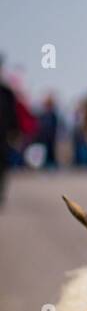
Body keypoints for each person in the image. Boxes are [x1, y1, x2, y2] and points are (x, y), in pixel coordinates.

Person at [0, 55, 17, 205]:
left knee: (2, 166)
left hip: (2, 136)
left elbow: (13, 115)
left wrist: (14, 133)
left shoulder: (6, 93)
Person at [34, 94, 60, 169]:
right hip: (44, 137)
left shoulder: (53, 115)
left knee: (51, 151)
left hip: (51, 137)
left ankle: (52, 165)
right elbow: (39, 126)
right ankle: (45, 164)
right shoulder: (42, 114)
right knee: (44, 151)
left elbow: (55, 126)